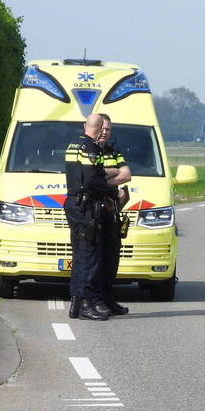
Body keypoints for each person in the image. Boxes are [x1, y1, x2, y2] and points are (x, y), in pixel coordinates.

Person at [64, 114, 119, 321]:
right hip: (86, 206)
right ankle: (86, 304)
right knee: (89, 256)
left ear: (85, 125)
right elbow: (92, 179)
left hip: (74, 203)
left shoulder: (72, 145)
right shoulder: (91, 148)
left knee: (80, 255)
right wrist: (113, 193)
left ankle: (76, 303)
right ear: (98, 129)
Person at [96, 114, 132, 314]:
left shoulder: (113, 151)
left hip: (112, 213)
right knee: (95, 259)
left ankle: (109, 299)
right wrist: (111, 173)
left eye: (108, 129)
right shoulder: (89, 150)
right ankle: (96, 300)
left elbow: (126, 174)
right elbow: (89, 177)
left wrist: (102, 178)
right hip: (93, 213)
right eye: (101, 127)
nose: (104, 132)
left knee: (112, 259)